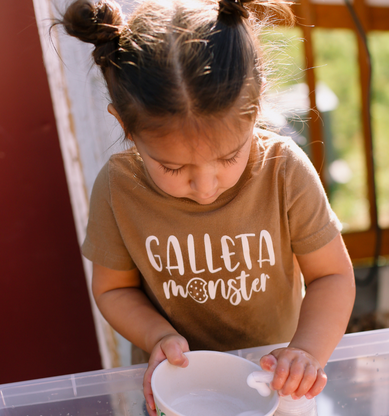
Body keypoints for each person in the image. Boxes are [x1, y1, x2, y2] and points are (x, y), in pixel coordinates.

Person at [60, 0, 355, 414]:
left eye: (228, 157)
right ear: (126, 127)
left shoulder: (283, 170)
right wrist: (156, 336)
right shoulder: (118, 187)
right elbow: (114, 288)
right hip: (180, 390)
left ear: (255, 113)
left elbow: (332, 276)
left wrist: (306, 351)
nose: (204, 186)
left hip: (274, 380)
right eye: (173, 166)